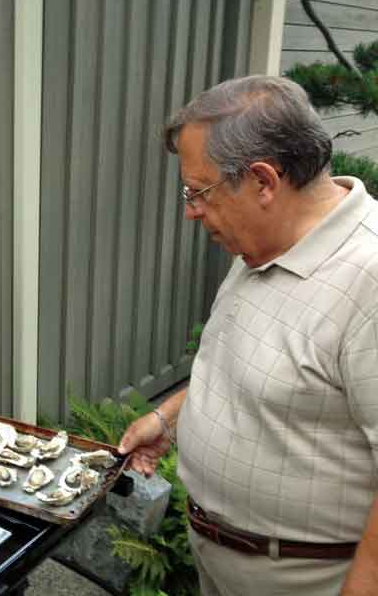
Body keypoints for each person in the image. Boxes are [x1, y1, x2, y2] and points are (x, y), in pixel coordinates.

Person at [118, 75, 378, 596]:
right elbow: (257, 368)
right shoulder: (264, 241)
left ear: (263, 182)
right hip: (220, 561)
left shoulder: (368, 277)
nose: (191, 210)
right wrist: (167, 418)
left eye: (198, 191)